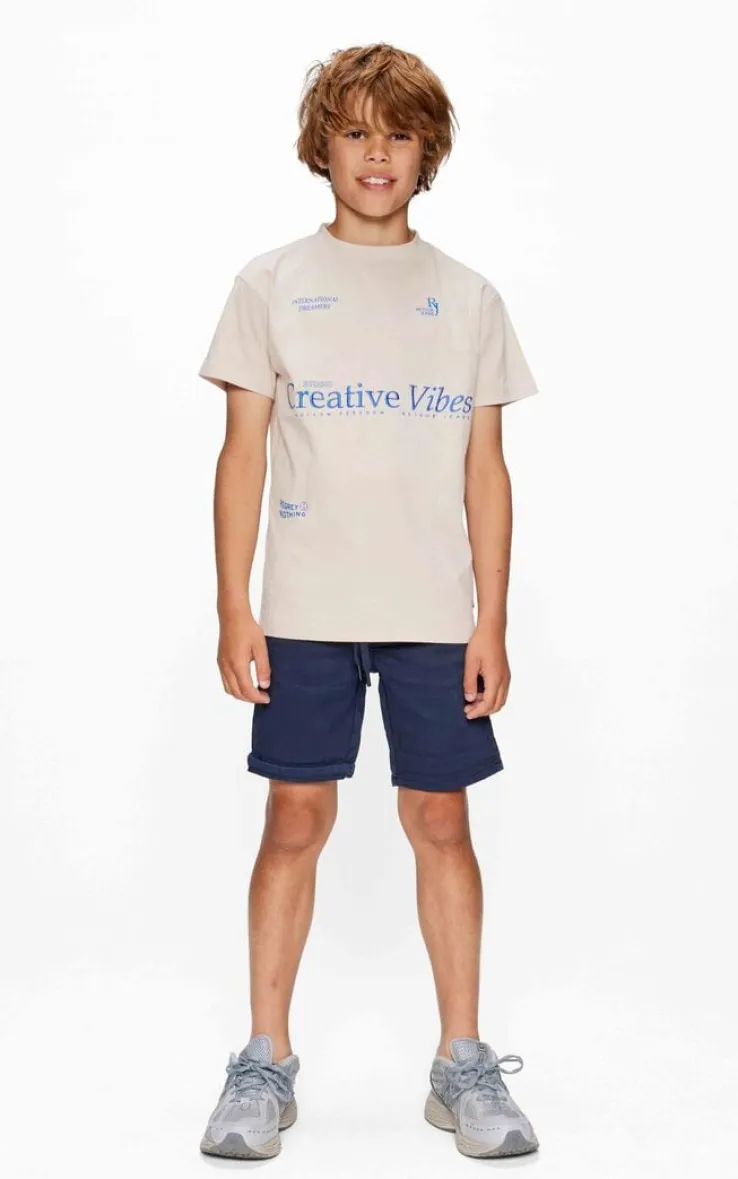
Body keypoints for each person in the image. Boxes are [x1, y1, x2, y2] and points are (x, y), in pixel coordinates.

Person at [196, 42, 540, 1162]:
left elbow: (486, 468)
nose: (376, 152)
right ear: (323, 148)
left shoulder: (470, 297)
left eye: (398, 133)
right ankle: (264, 1060)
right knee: (295, 818)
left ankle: (461, 1063)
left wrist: (491, 619)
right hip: (305, 611)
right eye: (354, 130)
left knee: (441, 820)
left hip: (434, 614)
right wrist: (234, 607)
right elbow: (242, 455)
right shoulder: (270, 284)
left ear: (426, 150)